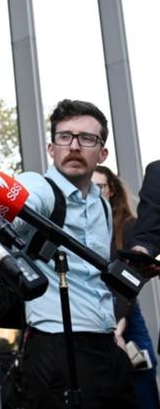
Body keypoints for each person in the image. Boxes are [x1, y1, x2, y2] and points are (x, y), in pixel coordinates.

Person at [14, 99, 137, 408]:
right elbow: (16, 208)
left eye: (87, 138)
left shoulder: (102, 205)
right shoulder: (38, 186)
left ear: (102, 153)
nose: (74, 146)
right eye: (65, 136)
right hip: (55, 346)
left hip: (105, 346)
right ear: (51, 147)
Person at [93, 165, 160, 408]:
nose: (94, 192)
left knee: (141, 369)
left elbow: (129, 277)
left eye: (99, 186)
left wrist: (118, 324)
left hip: (124, 307)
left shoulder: (126, 225)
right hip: (92, 309)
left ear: (111, 191)